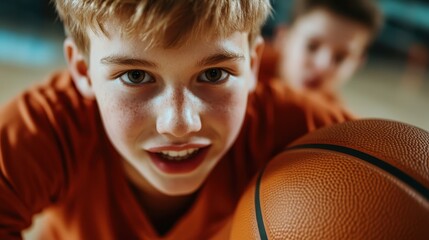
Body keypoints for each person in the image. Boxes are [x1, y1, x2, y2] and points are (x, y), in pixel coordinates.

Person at [0, 0, 354, 239]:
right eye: (135, 77)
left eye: (214, 74)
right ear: (82, 70)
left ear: (253, 66)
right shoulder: (46, 127)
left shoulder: (309, 132)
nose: (180, 123)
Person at [260, 0, 383, 105]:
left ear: (358, 63)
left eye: (340, 58)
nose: (322, 65)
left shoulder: (335, 124)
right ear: (283, 38)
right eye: (312, 46)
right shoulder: (246, 65)